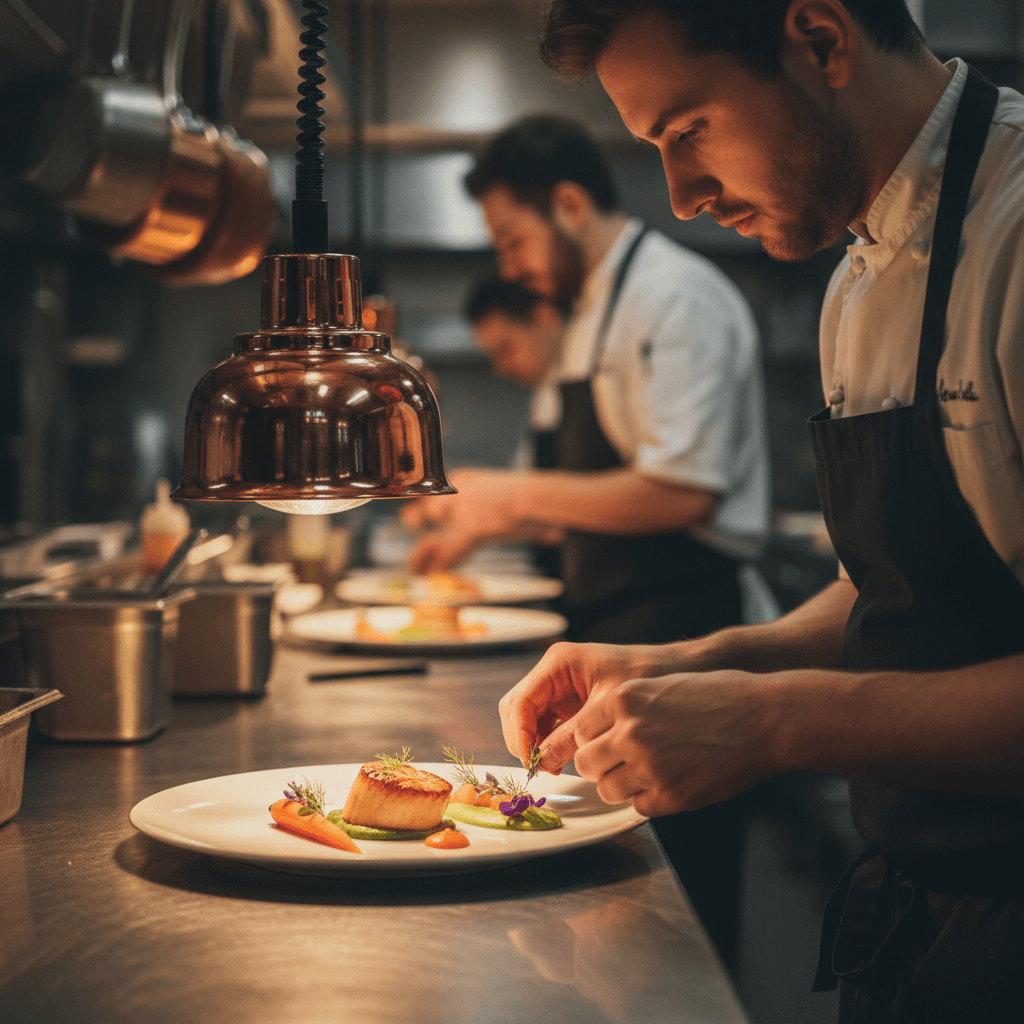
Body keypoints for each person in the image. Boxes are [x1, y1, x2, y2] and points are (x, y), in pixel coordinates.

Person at [498, 2, 1024, 1022]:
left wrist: (773, 720)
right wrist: (690, 664)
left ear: (821, 39)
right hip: (925, 917)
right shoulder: (855, 283)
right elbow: (887, 591)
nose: (681, 197)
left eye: (686, 131)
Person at [402, 115, 772, 968]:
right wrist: (497, 514)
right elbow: (592, 490)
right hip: (614, 626)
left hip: (686, 625)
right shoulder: (593, 309)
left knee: (684, 915)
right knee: (617, 913)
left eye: (511, 238)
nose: (510, 266)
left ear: (569, 204)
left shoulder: (672, 296)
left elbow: (683, 489)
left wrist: (504, 495)